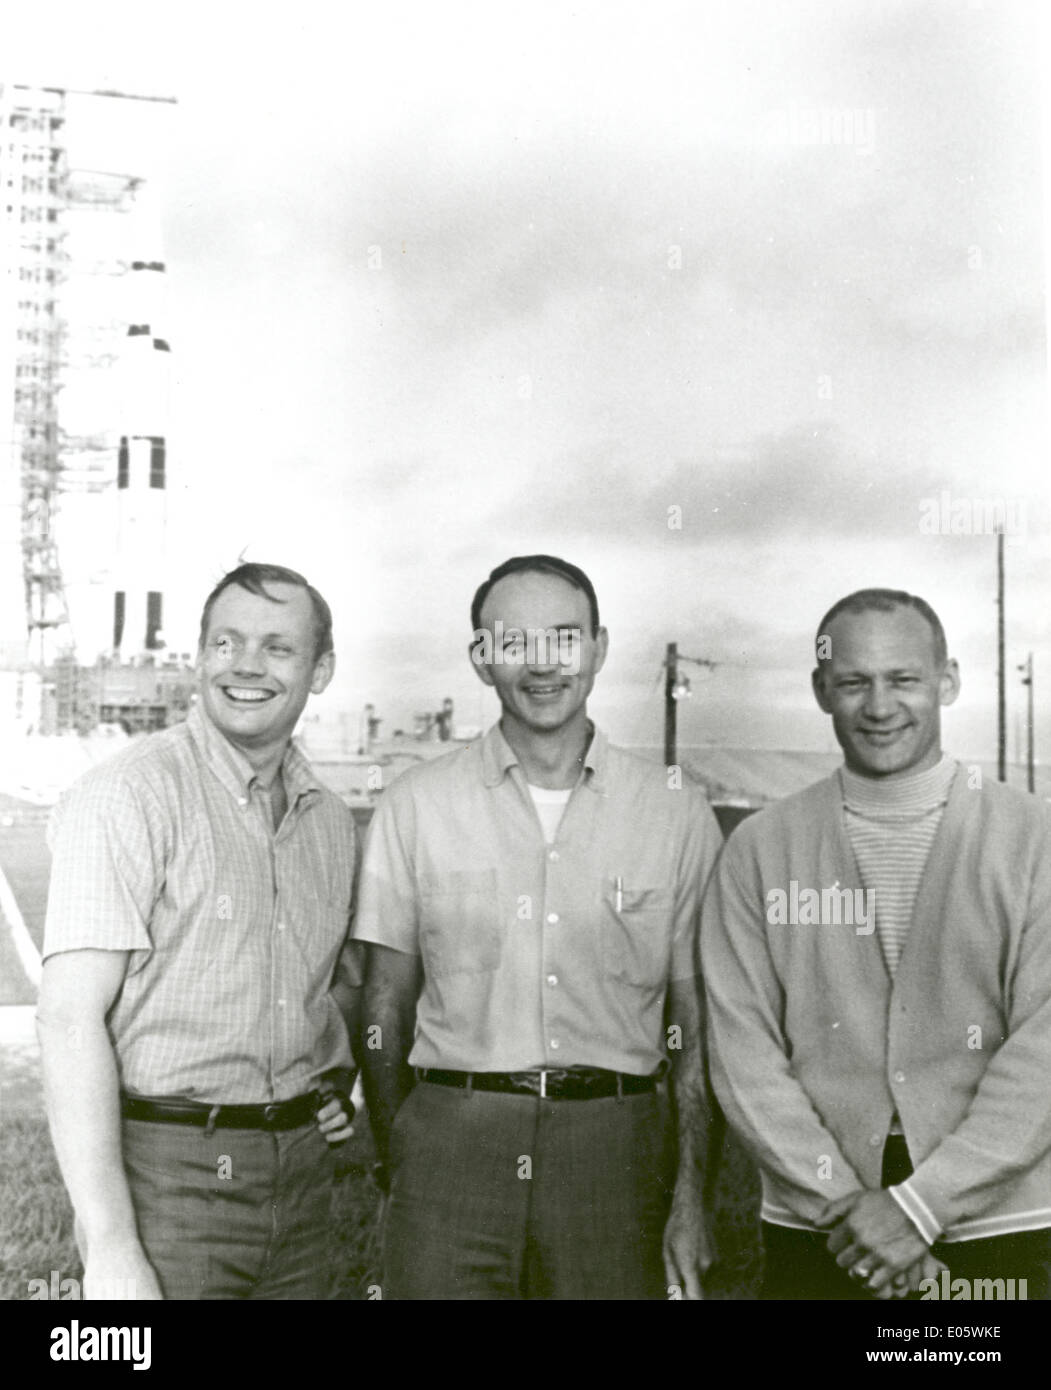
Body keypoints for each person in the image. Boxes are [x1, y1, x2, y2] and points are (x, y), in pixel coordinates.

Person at [354, 554, 723, 1300]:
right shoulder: (414, 805)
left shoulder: (676, 813)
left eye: (563, 638)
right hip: (452, 1146)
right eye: (512, 642)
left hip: (615, 1154)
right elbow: (382, 1002)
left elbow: (696, 1024)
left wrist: (691, 1194)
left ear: (598, 648)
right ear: (481, 659)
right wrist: (406, 1154)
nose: (542, 664)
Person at [701, 588, 1051, 1300]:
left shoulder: (1033, 838)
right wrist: (847, 1206)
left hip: (999, 1224)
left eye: (904, 679)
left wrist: (922, 1205)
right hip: (820, 1227)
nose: (879, 706)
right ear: (820, 689)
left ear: (947, 681)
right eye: (854, 682)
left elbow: (1043, 1049)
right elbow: (743, 1052)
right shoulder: (760, 849)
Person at [37, 563, 361, 1300]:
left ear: (321, 670)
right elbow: (67, 1018)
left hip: (299, 1177)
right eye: (227, 641)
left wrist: (330, 1085)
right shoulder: (127, 793)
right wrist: (113, 1246)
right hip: (166, 1171)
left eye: (278, 648)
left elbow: (318, 992)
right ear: (199, 656)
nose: (246, 664)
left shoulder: (331, 823)